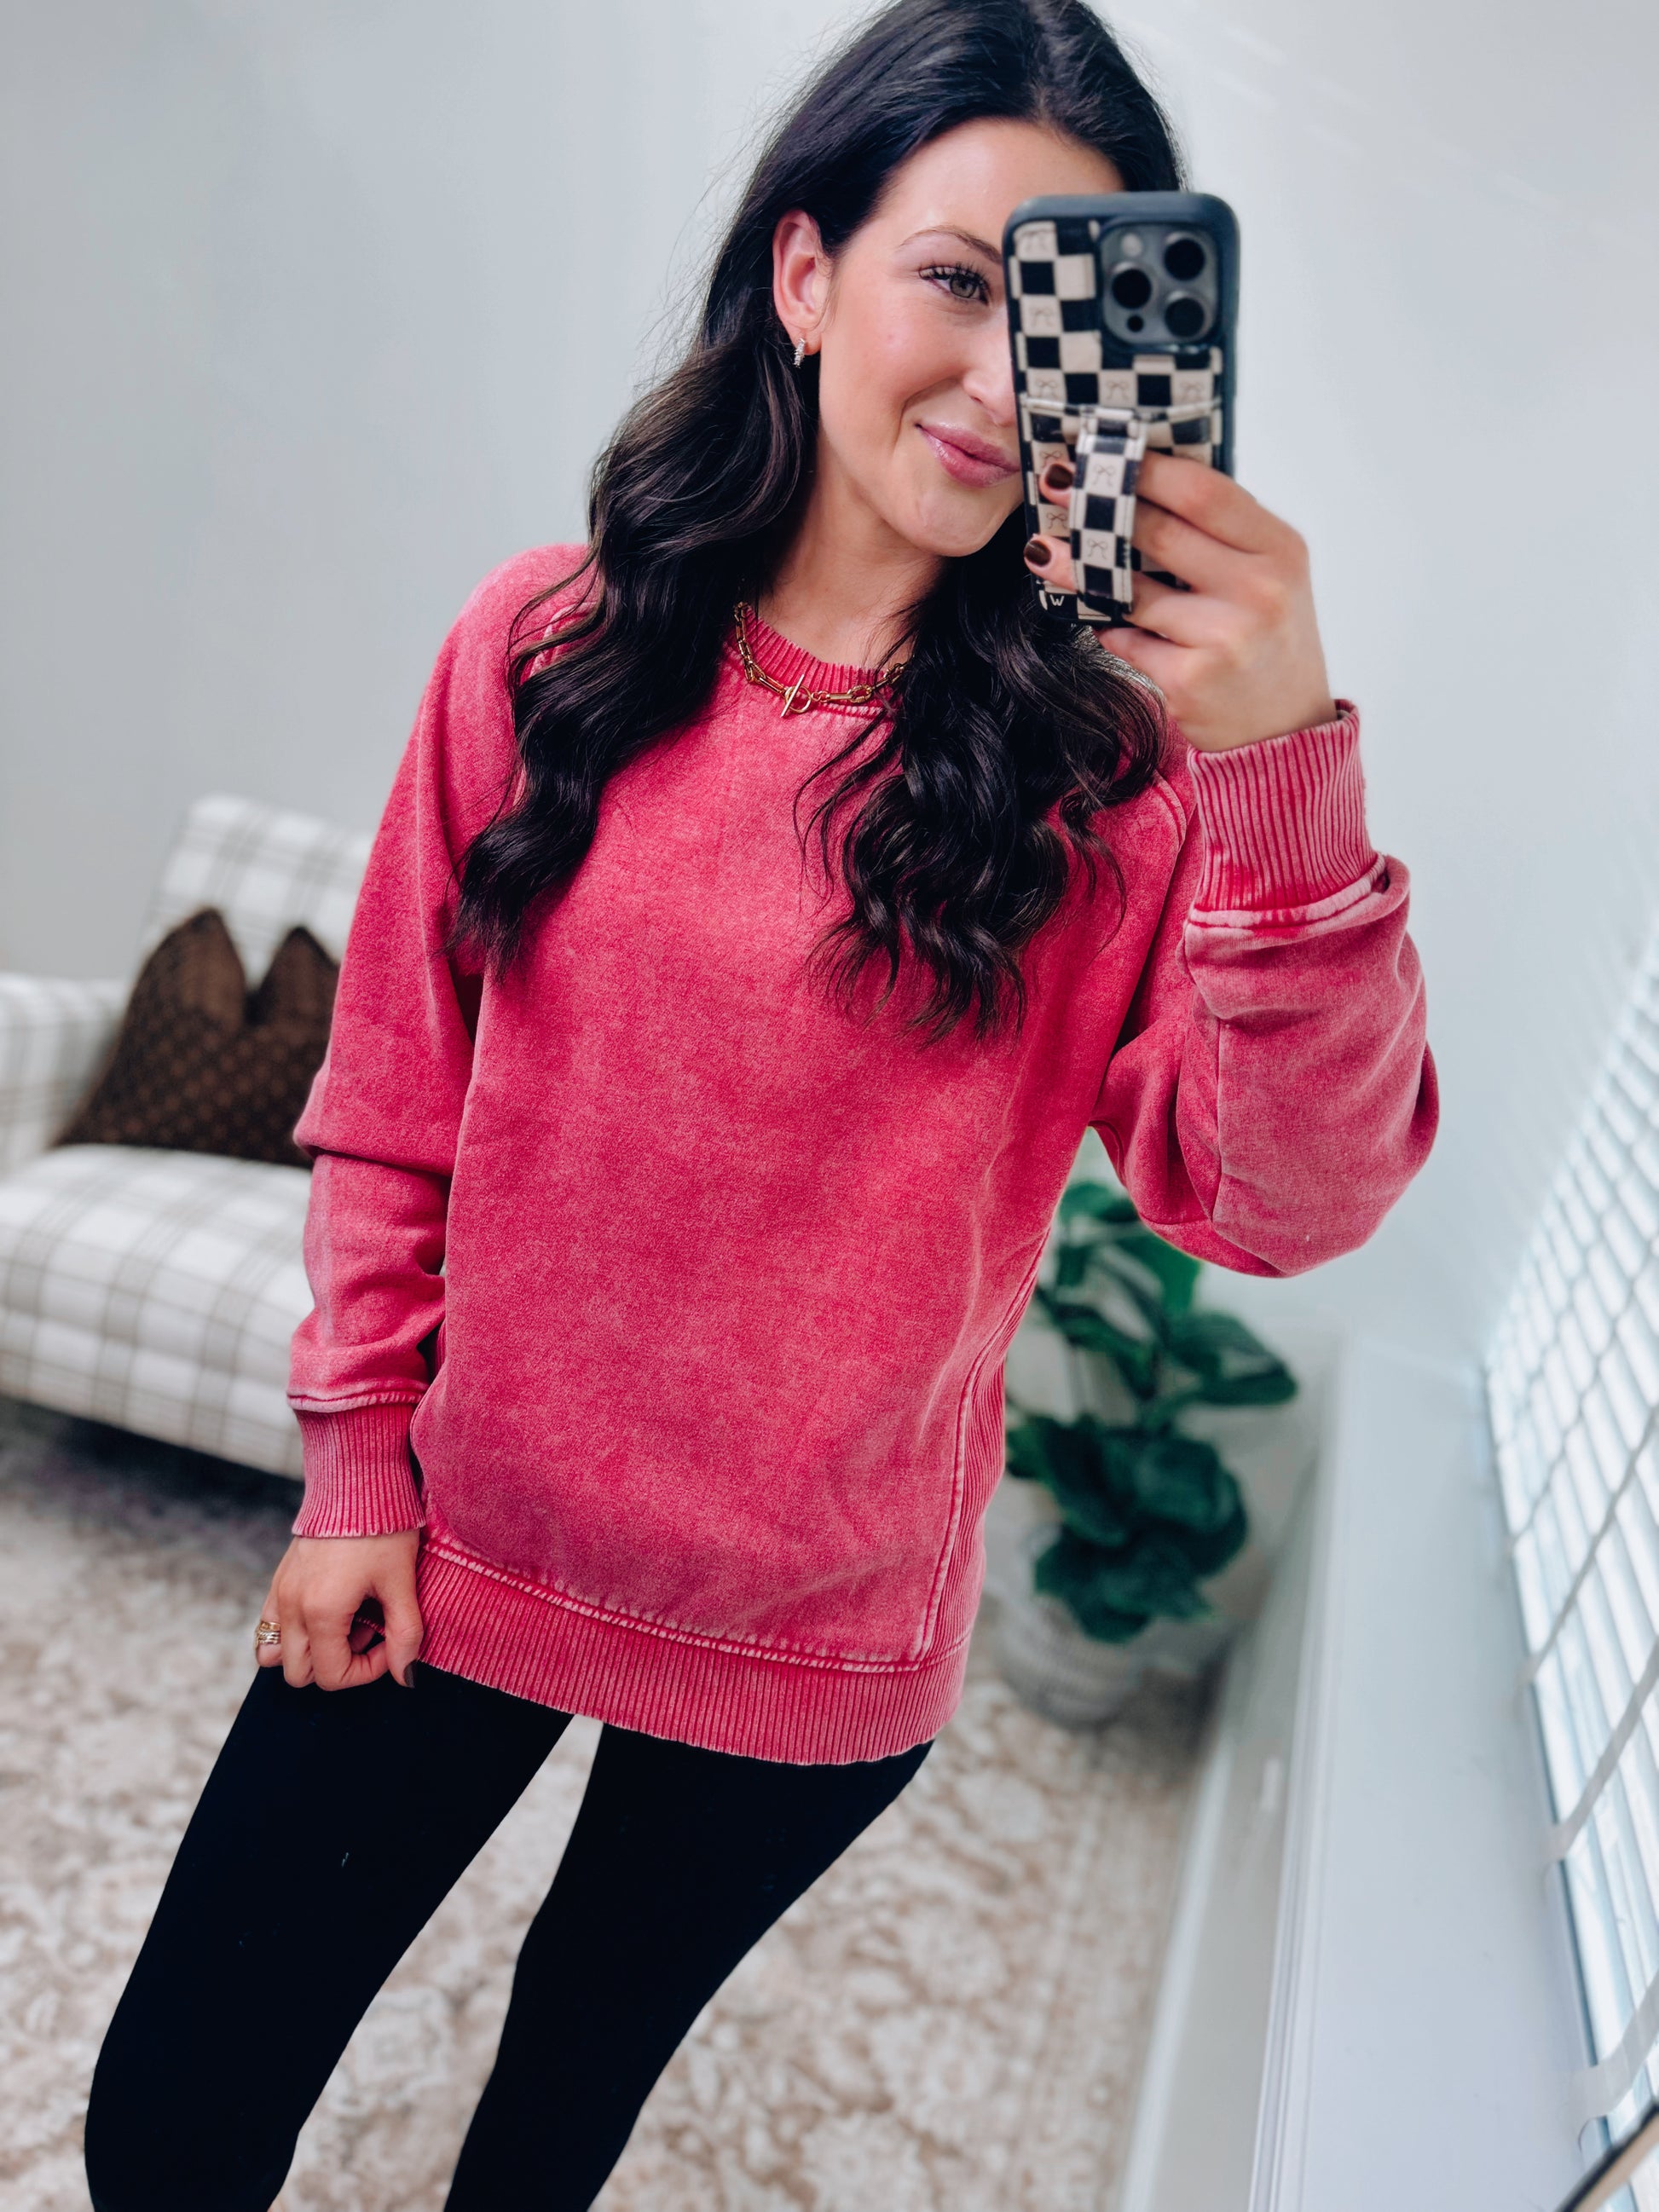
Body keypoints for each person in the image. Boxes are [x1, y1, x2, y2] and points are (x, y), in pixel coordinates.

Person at [84, 0, 1437, 2204]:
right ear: (805, 271)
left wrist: (1284, 766)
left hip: (815, 1636)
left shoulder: (1123, 782)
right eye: (955, 279)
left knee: (548, 2136)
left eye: (1065, 320)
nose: (1004, 381)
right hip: (457, 1549)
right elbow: (397, 1088)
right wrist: (350, 1473)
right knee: (170, 2118)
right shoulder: (541, 646)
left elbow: (1278, 1206)